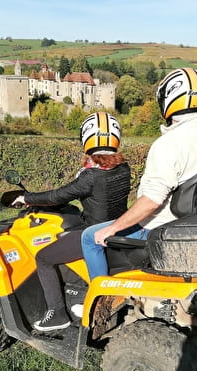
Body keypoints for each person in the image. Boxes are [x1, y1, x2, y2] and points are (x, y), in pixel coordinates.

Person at [81, 68, 197, 280]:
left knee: (89, 237)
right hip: (191, 225)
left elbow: (151, 201)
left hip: (159, 228)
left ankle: (99, 299)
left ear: (169, 99)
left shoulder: (168, 143)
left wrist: (111, 229)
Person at [12, 112, 131, 331]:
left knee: (44, 257)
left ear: (87, 138)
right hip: (120, 229)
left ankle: (57, 313)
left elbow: (57, 195)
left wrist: (26, 198)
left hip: (93, 234)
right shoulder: (124, 168)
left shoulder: (90, 176)